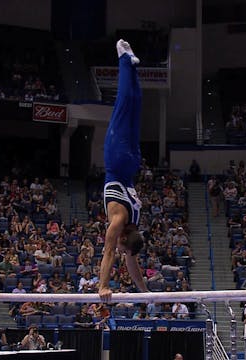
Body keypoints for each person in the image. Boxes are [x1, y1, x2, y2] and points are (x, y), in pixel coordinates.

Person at [99, 39, 148, 302]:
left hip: (130, 166)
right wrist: (103, 286)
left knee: (134, 108)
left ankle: (131, 64)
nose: (119, 245)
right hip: (118, 162)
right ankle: (123, 57)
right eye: (122, 243)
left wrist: (146, 294)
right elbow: (108, 251)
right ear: (125, 235)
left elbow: (131, 262)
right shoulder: (119, 220)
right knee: (124, 107)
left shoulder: (134, 226)